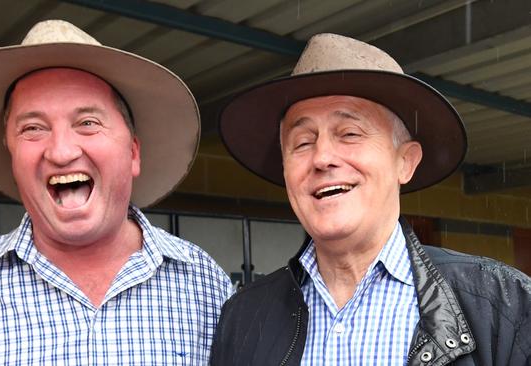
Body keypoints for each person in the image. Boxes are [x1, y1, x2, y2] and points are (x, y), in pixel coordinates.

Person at [0, 20, 232, 365]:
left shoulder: (205, 283)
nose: (60, 152)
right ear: (12, 156)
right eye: (32, 128)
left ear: (132, 153)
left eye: (87, 123)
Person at [210, 33, 531, 365]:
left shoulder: (503, 305)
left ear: (405, 161)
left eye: (349, 134)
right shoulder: (244, 318)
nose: (322, 158)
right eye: (303, 142)